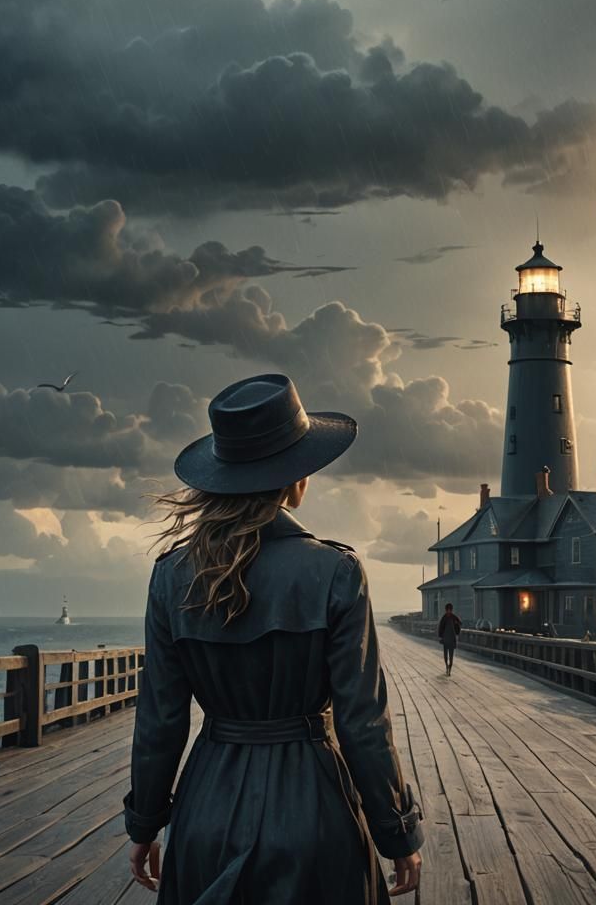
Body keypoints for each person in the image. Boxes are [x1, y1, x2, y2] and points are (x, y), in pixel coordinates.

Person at [123, 373, 424, 904]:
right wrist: (397, 832)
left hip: (206, 807)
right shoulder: (335, 571)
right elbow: (362, 720)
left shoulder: (171, 575)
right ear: (296, 478)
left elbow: (160, 719)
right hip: (314, 809)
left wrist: (145, 823)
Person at [438, 603, 461, 675]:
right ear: (446, 610)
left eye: (450, 610)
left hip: (452, 639)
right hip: (445, 639)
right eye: (447, 610)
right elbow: (440, 627)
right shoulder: (444, 618)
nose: (448, 611)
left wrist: (457, 624)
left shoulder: (454, 617)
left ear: (451, 610)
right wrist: (440, 636)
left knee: (451, 656)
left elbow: (460, 623)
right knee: (445, 656)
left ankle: (449, 669)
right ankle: (446, 666)